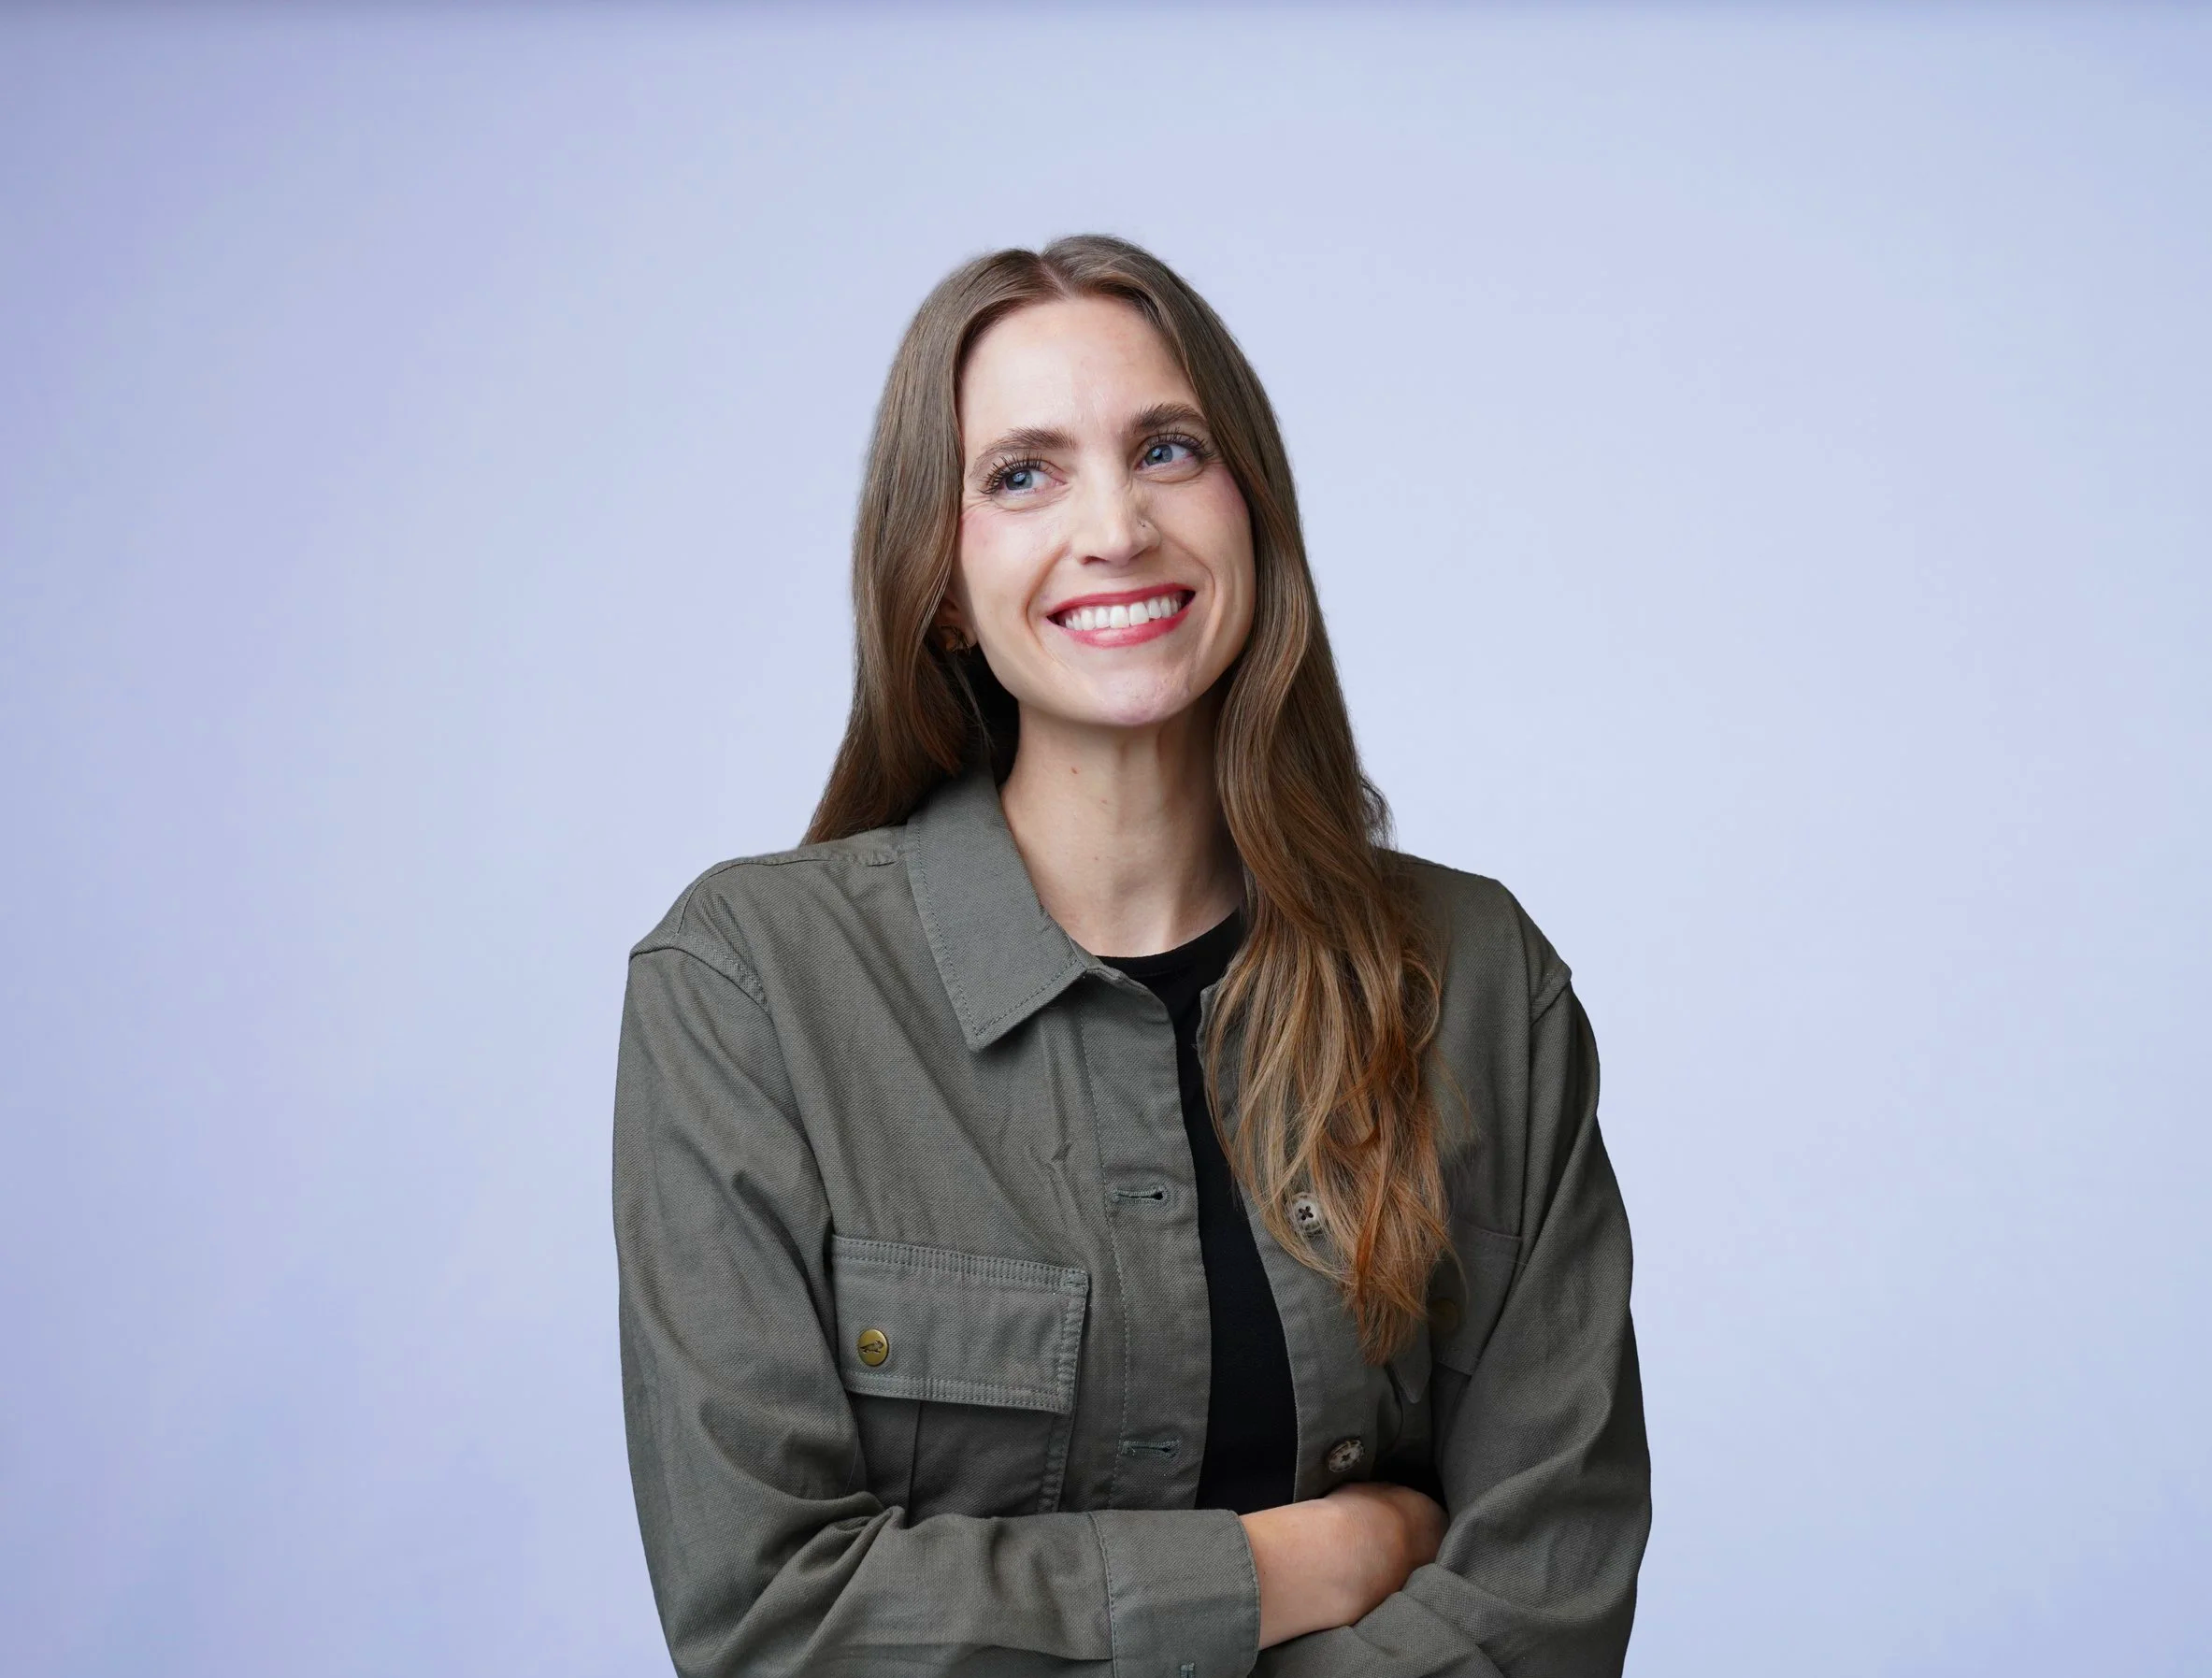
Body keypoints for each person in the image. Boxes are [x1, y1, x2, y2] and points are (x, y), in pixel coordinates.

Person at [612, 235, 1650, 1677]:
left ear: (1251, 512)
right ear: (938, 580)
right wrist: (1289, 1560)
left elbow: (1546, 1592)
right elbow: (776, 1621)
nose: (1116, 525)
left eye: (1167, 448)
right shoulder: (750, 991)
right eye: (1022, 473)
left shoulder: (1480, 981)